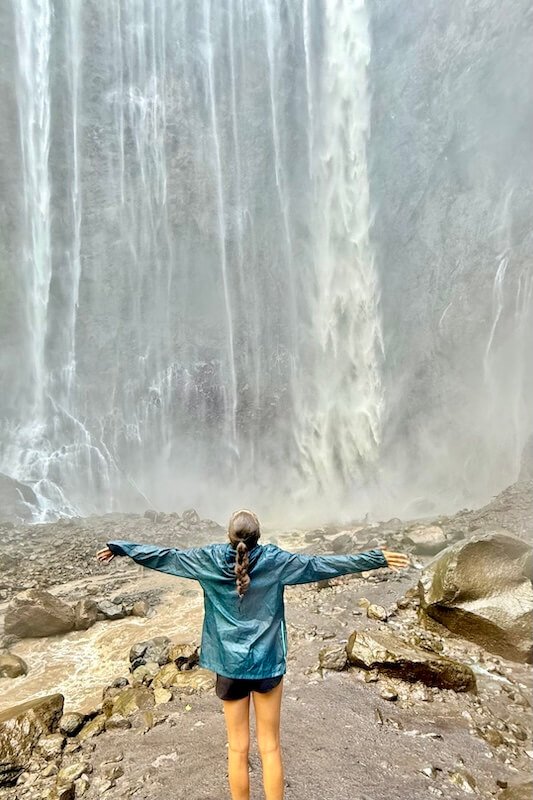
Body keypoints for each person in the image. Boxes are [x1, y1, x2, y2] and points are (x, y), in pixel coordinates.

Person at [96, 509, 409, 800]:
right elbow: (321, 565)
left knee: (237, 749)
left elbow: (167, 557)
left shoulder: (209, 559)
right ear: (258, 538)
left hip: (229, 668)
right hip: (267, 665)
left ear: (229, 538)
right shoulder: (274, 560)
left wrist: (121, 547)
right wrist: (376, 558)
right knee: (270, 748)